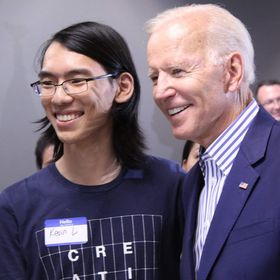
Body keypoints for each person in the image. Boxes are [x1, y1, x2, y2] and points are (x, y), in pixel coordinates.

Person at [0, 22, 185, 280]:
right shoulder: (16, 206)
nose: (59, 97)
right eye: (48, 83)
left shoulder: (171, 185)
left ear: (122, 87)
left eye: (77, 81)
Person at [146, 4, 280, 280]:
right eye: (155, 77)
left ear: (232, 72)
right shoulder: (193, 183)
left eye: (178, 71)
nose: (160, 92)